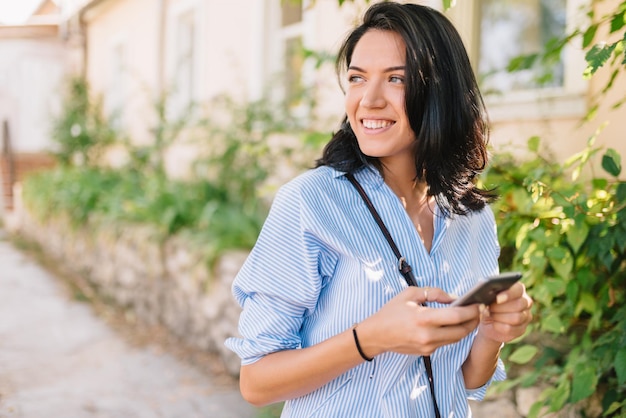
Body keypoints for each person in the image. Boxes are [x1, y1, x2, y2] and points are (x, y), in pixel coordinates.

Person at [225, 2, 534, 417]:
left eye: (395, 79)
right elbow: (257, 381)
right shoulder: (311, 203)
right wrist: (370, 338)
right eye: (357, 78)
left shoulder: (471, 216)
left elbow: (458, 382)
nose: (368, 100)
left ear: (440, 91)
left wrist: (492, 335)